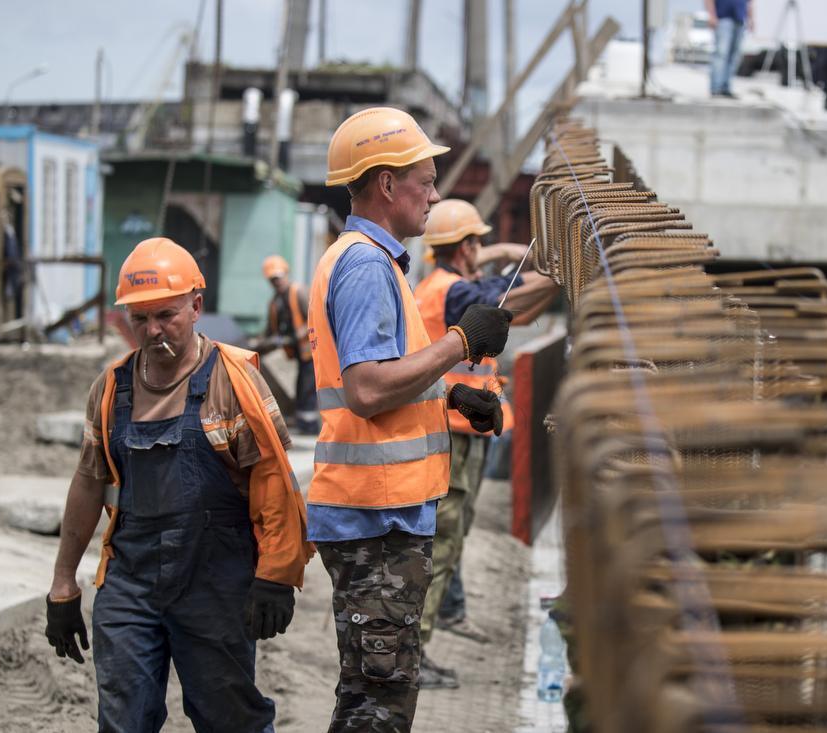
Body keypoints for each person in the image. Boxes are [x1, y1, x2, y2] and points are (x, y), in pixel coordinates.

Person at [43, 237, 312, 732]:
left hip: (215, 582)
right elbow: (88, 482)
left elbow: (273, 480)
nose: (152, 330)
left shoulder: (232, 382)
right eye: (138, 319)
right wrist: (63, 583)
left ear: (196, 306)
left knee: (229, 718)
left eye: (165, 315)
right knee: (124, 718)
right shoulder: (111, 388)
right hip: (131, 580)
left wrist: (276, 573)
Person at [309, 107, 513, 731]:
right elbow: (367, 388)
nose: (434, 193)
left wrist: (447, 400)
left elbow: (380, 379)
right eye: (426, 179)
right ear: (387, 184)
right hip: (377, 517)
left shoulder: (369, 261)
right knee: (377, 704)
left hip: (379, 515)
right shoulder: (369, 266)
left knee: (374, 691)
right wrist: (461, 342)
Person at [412, 199, 559, 689]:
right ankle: (414, 656)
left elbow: (512, 300)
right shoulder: (455, 293)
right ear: (467, 246)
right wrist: (562, 272)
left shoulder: (447, 285)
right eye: (477, 242)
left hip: (461, 427)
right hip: (451, 429)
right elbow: (513, 296)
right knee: (444, 542)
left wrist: (500, 249)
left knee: (450, 543)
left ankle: (420, 646)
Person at [260, 254, 319, 433]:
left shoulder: (298, 292)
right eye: (272, 280)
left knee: (308, 388)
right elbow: (270, 330)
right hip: (297, 353)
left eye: (278, 278)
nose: (276, 282)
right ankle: (303, 423)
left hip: (311, 350)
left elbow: (314, 318)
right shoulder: (275, 302)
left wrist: (296, 336)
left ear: (285, 274)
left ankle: (309, 426)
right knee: (301, 386)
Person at [705, 0, 753, 98]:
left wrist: (751, 18)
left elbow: (750, 3)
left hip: (740, 18)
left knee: (734, 56)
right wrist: (711, 15)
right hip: (723, 17)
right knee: (721, 54)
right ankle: (716, 88)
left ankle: (726, 88)